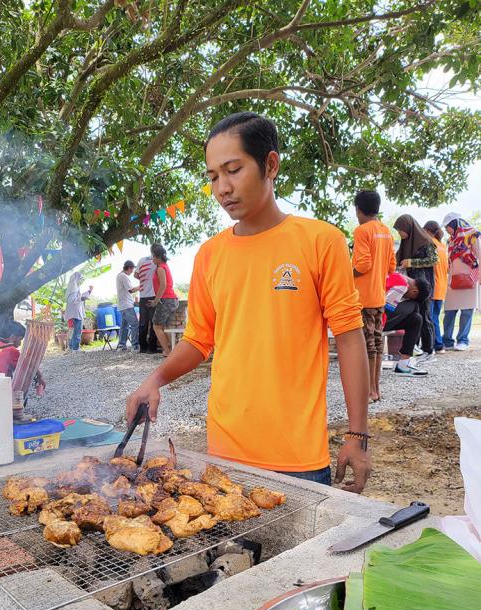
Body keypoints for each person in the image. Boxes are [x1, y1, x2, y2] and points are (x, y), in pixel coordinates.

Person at [127, 112, 371, 492]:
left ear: (270, 165)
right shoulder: (210, 255)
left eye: (233, 170)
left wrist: (357, 434)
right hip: (224, 454)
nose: (222, 188)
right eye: (212, 177)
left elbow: (350, 338)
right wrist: (154, 379)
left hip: (297, 459)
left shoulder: (321, 241)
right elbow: (198, 340)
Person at [352, 189, 396, 403]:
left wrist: (345, 272)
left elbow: (362, 265)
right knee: (377, 342)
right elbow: (391, 266)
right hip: (379, 296)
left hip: (364, 297)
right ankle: (376, 389)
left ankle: (370, 391)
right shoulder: (386, 231)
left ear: (359, 209)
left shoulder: (362, 231)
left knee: (367, 344)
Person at [393, 215, 437, 364]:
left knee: (425, 316)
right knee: (414, 316)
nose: (400, 234)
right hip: (409, 287)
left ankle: (429, 350)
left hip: (423, 286)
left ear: (408, 228)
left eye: (400, 231)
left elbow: (433, 259)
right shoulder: (406, 243)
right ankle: (415, 348)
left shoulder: (426, 242)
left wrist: (411, 262)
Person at [441, 212, 480, 352]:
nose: (446, 230)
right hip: (453, 280)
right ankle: (447, 340)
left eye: (447, 227)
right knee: (449, 311)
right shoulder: (451, 239)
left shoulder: (473, 235)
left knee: (467, 312)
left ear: (453, 224)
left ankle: (463, 340)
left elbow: (479, 254)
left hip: (469, 279)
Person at [383, 273, 430, 376]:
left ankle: (404, 364)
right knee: (414, 306)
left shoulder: (399, 274)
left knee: (416, 319)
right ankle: (412, 350)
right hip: (374, 319)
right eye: (410, 298)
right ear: (414, 292)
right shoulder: (403, 285)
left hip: (375, 316)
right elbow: (385, 307)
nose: (405, 299)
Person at [0, 321, 46, 392]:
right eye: (20, 339)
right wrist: (39, 377)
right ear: (12, 337)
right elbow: (28, 368)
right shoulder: (10, 350)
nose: (20, 344)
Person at [149, 243, 179, 357]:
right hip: (170, 299)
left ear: (157, 257)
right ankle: (171, 350)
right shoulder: (165, 266)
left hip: (166, 300)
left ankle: (167, 351)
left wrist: (156, 301)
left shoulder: (161, 268)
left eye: (153, 257)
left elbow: (163, 286)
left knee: (156, 325)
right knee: (165, 327)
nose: (152, 259)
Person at [424, 220, 448, 353]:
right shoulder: (443, 246)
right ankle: (437, 343)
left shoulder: (430, 244)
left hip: (434, 286)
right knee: (435, 317)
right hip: (442, 286)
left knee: (432, 318)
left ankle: (438, 345)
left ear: (428, 231)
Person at [135, 253, 159, 353]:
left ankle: (143, 347)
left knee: (143, 323)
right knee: (154, 323)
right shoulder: (157, 260)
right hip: (153, 295)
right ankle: (151, 348)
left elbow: (136, 275)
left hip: (143, 296)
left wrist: (144, 279)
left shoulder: (141, 259)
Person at [65, 272, 93, 351]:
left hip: (75, 312)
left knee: (75, 331)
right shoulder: (73, 289)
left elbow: (78, 297)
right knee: (77, 331)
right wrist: (82, 298)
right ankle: (75, 348)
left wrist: (89, 291)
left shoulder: (74, 289)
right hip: (75, 313)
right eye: (79, 279)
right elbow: (72, 300)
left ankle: (71, 347)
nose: (80, 281)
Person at [116, 260, 140, 351]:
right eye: (132, 269)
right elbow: (131, 290)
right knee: (135, 324)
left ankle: (121, 345)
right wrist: (141, 287)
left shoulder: (119, 275)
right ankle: (135, 345)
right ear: (129, 268)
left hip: (122, 305)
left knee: (124, 326)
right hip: (126, 305)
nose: (132, 271)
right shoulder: (124, 276)